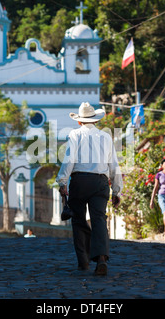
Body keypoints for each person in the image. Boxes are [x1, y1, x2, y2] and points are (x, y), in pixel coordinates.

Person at [56, 102, 123, 275]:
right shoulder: (106, 137)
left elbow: (69, 160)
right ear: (95, 121)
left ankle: (83, 260)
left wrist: (62, 181)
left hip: (79, 182)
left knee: (78, 220)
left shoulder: (75, 134)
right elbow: (114, 165)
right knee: (99, 219)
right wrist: (117, 190)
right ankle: (101, 259)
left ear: (79, 121)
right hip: (100, 183)